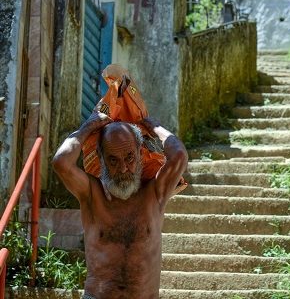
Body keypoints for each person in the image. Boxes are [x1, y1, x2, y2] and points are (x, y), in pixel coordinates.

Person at [52, 111, 188, 299]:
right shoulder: (92, 193)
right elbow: (61, 162)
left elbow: (179, 155)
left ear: (140, 153)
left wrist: (154, 127)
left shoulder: (155, 193)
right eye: (113, 160)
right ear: (101, 158)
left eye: (129, 157)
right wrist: (88, 127)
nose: (123, 169)